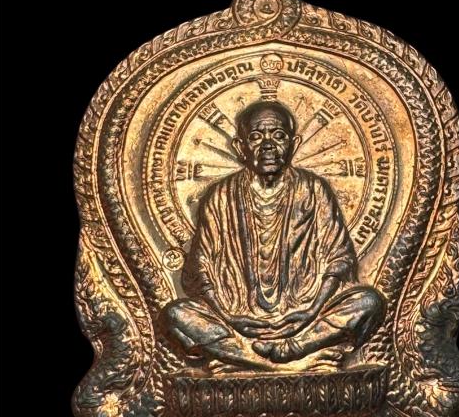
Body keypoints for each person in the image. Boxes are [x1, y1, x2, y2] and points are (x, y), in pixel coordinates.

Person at [160, 100, 384, 373]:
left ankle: (291, 349)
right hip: (236, 320)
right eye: (256, 137)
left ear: (294, 144)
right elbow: (200, 268)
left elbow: (339, 259)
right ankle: (269, 359)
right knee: (174, 314)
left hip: (307, 318)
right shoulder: (220, 196)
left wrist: (311, 310)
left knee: (369, 302)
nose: (268, 145)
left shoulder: (313, 189)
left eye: (278, 135)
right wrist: (228, 315)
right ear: (240, 147)